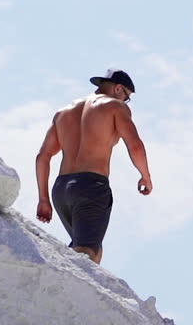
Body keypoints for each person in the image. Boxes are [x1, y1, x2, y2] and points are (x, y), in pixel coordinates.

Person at [35, 69, 152, 264]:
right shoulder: (115, 107)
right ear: (117, 88)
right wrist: (145, 176)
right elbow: (135, 145)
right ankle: (60, 285)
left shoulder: (63, 113)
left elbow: (43, 157)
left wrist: (43, 199)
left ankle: (61, 279)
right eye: (127, 97)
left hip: (61, 190)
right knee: (86, 252)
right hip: (90, 186)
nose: (126, 102)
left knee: (92, 249)